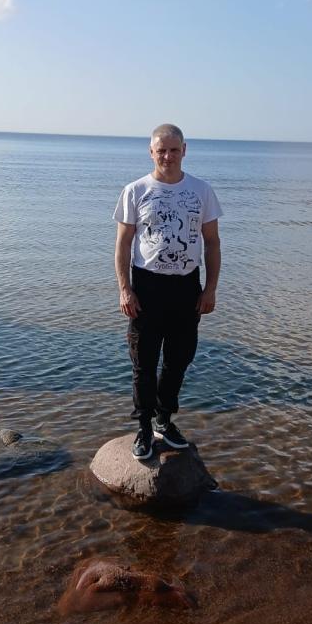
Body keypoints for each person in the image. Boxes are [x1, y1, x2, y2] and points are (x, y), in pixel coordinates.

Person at [113, 124, 222, 459]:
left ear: (184, 150)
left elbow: (212, 242)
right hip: (147, 286)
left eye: (174, 150)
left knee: (179, 360)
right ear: (151, 152)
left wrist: (210, 289)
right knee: (143, 362)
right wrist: (125, 290)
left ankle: (164, 419)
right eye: (161, 150)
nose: (168, 156)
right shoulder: (135, 191)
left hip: (186, 286)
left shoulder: (201, 191)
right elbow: (123, 245)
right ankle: (144, 428)